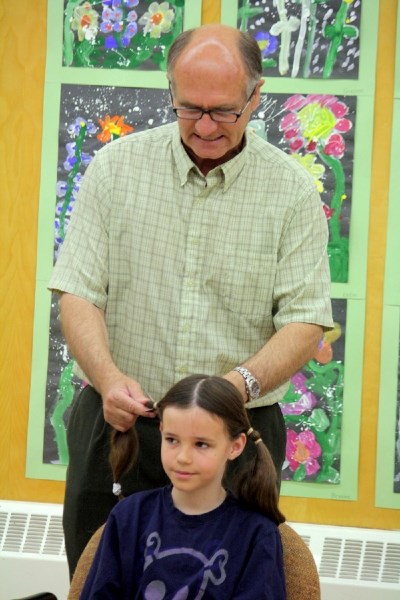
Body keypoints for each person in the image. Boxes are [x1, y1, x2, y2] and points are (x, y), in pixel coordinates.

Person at [48, 23, 333, 577]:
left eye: (223, 111)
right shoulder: (114, 170)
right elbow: (79, 292)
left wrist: (233, 391)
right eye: (189, 108)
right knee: (97, 580)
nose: (204, 127)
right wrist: (107, 380)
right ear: (171, 91)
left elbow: (304, 322)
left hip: (236, 435)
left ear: (256, 97)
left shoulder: (292, 192)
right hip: (120, 427)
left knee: (230, 584)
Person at [80, 375, 287, 599]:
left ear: (235, 447)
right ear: (161, 431)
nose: (183, 457)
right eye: (172, 440)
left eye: (201, 444)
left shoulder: (256, 533)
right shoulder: (128, 516)